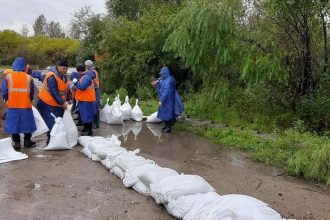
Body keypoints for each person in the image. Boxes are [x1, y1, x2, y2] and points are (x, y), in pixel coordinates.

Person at [1, 57, 37, 150]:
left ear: (14, 65)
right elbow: (31, 91)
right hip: (25, 104)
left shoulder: (8, 76)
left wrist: (6, 98)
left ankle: (17, 143)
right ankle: (27, 141)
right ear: (24, 66)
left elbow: (4, 91)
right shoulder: (28, 77)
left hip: (13, 104)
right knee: (27, 123)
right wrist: (31, 99)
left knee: (14, 124)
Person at [37, 59, 68, 144]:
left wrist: (68, 99)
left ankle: (55, 139)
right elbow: (54, 92)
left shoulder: (64, 77)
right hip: (47, 102)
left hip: (57, 103)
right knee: (51, 122)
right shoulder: (52, 76)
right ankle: (50, 140)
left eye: (66, 69)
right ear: (58, 67)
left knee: (58, 121)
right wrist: (62, 102)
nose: (65, 71)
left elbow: (64, 89)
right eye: (63, 68)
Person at [72, 69, 96, 136]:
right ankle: (86, 128)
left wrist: (75, 81)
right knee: (85, 115)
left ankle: (89, 131)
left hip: (86, 100)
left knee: (87, 116)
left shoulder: (86, 77)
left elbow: (82, 87)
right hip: (85, 99)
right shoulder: (86, 77)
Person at [156, 67, 177, 133]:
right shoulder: (165, 80)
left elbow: (166, 91)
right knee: (163, 113)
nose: (161, 75)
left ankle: (169, 128)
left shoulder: (169, 80)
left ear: (165, 73)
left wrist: (161, 100)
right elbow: (160, 88)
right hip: (164, 100)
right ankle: (166, 126)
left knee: (167, 114)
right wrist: (158, 81)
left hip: (168, 101)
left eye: (162, 74)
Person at [85, 60, 100, 129]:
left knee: (94, 107)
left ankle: (95, 123)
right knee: (96, 107)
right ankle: (96, 124)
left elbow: (88, 76)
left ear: (88, 66)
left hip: (95, 91)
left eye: (86, 66)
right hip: (96, 90)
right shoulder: (94, 71)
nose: (85, 67)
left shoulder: (92, 72)